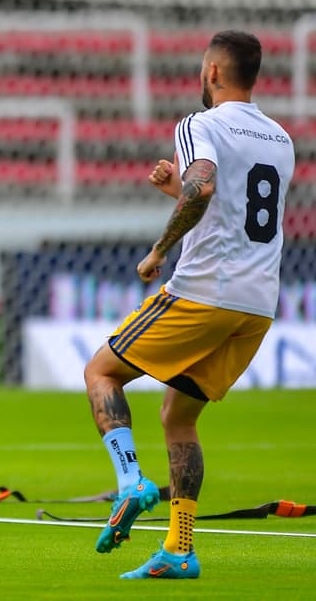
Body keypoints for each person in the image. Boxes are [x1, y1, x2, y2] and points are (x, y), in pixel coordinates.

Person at [82, 30, 294, 580]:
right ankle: (179, 549)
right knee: (179, 416)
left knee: (102, 372)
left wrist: (159, 250)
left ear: (213, 72)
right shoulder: (279, 138)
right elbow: (231, 204)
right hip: (257, 304)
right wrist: (177, 190)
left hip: (204, 290)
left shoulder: (199, 124)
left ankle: (130, 482)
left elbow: (203, 189)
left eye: (204, 70)